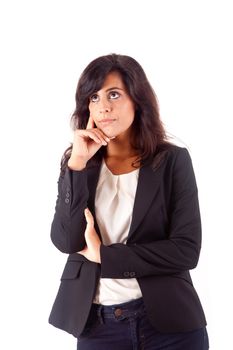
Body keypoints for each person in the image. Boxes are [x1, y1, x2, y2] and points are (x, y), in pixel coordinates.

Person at [49, 54, 209, 349]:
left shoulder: (171, 161)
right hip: (99, 327)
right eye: (93, 97)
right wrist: (77, 165)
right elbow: (65, 240)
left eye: (113, 94)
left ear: (138, 98)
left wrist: (107, 256)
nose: (103, 106)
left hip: (170, 325)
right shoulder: (78, 164)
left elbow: (186, 251)